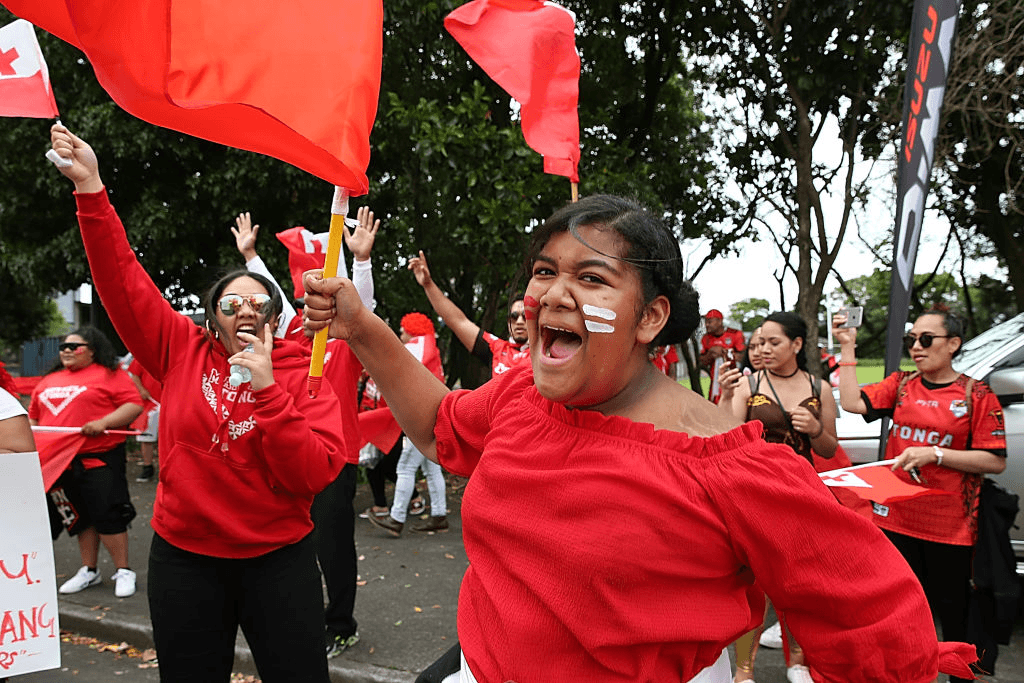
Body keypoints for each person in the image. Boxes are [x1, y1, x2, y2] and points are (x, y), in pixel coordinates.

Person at [304, 194, 973, 682]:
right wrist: (361, 325)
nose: (555, 293)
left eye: (591, 278)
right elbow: (438, 425)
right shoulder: (519, 396)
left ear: (650, 316)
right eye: (544, 271)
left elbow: (879, 626)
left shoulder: (729, 465)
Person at [51, 125, 346, 682]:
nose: (245, 310)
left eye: (259, 303)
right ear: (212, 317)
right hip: (185, 559)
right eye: (230, 302)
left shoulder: (302, 373)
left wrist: (267, 392)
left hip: (278, 561)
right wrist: (91, 188)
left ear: (276, 320)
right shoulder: (179, 349)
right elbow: (122, 281)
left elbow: (310, 474)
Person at [834, 304, 1007, 682]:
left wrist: (937, 454)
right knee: (900, 617)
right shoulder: (901, 384)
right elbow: (850, 403)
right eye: (910, 340)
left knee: (954, 620)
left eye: (926, 339)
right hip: (896, 522)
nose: (916, 346)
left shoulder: (976, 395)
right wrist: (847, 347)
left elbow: (994, 461)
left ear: (953, 344)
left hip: (950, 529)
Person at [233, 208, 374, 658]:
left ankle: (341, 624)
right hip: (293, 453)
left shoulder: (346, 339)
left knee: (333, 547)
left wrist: (362, 261)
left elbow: (363, 307)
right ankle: (302, 620)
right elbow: (275, 293)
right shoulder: (293, 335)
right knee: (296, 543)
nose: (309, 307)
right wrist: (252, 257)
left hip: (338, 456)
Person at [717, 312, 839, 682]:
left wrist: (816, 428)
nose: (764, 349)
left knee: (799, 583)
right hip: (753, 495)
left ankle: (799, 662)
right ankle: (743, 671)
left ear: (797, 345)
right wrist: (724, 395)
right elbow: (724, 435)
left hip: (802, 495)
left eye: (774, 342)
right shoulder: (748, 383)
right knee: (753, 584)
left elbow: (830, 449)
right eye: (759, 343)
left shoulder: (819, 389)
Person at [28, 326, 144, 598]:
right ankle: (88, 570)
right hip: (59, 463)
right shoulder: (48, 380)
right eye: (63, 347)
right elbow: (34, 418)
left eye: (74, 346)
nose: (67, 351)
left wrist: (103, 422)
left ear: (92, 350)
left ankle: (124, 569)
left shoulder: (111, 374)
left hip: (98, 458)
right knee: (79, 518)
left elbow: (133, 404)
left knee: (108, 513)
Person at [368, 313, 449, 536]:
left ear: (412, 330)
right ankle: (439, 516)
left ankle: (396, 519)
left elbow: (389, 367)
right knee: (431, 469)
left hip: (422, 418)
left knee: (405, 468)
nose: (401, 334)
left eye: (403, 329)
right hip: (433, 416)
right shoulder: (430, 346)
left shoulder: (417, 346)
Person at [408, 250, 529, 376]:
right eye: (514, 316)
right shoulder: (496, 348)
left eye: (526, 317)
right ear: (508, 321)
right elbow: (457, 321)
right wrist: (428, 285)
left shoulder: (546, 354)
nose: (519, 321)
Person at [124, 353, 160, 482]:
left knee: (170, 438)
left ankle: (169, 469)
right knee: (146, 437)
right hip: (150, 403)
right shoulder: (144, 355)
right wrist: (141, 390)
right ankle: (147, 467)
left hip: (169, 402)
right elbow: (134, 374)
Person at [700, 309, 746, 403]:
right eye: (706, 322)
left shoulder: (735, 334)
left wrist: (726, 353)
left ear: (720, 321)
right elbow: (702, 362)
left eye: (709, 321)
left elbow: (744, 357)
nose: (706, 325)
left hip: (735, 381)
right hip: (715, 382)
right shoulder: (706, 338)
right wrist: (710, 353)